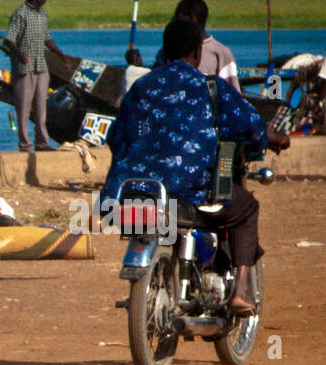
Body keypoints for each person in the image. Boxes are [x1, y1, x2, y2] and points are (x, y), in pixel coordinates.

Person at [103, 18, 290, 315]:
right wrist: (276, 138)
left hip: (130, 194)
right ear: (197, 54)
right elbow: (252, 125)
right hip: (187, 196)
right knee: (246, 207)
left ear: (164, 50)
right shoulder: (210, 87)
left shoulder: (140, 86)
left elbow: (115, 137)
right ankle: (241, 290)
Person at [1, 0, 69, 151]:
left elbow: (48, 39)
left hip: (41, 67)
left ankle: (42, 143)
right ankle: (25, 144)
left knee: (41, 107)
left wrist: (61, 55)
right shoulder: (20, 14)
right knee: (23, 108)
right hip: (24, 69)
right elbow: (9, 40)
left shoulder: (43, 14)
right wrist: (19, 54)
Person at [154, 0, 238, 86]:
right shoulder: (169, 49)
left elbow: (233, 92)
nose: (173, 21)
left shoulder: (221, 53)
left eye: (177, 17)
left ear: (191, 18)